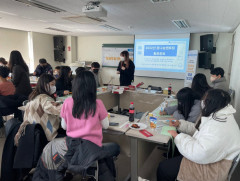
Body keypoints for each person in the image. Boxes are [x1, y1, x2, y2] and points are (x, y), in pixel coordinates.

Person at [157, 89, 240, 181]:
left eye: (205, 99)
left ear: (211, 102)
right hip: (211, 157)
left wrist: (178, 136)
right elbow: (200, 130)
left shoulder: (219, 125)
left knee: (163, 168)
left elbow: (200, 152)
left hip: (212, 167)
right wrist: (180, 124)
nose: (202, 102)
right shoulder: (220, 115)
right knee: (173, 160)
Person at [60, 71, 120, 158]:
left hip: (72, 148)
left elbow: (64, 126)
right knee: (116, 147)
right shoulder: (98, 103)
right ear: (92, 86)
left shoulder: (67, 102)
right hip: (92, 150)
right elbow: (105, 126)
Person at [14, 74, 62, 143]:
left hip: (33, 133)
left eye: (54, 85)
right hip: (47, 135)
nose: (54, 87)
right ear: (45, 84)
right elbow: (57, 110)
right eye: (52, 84)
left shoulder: (33, 96)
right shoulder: (44, 98)